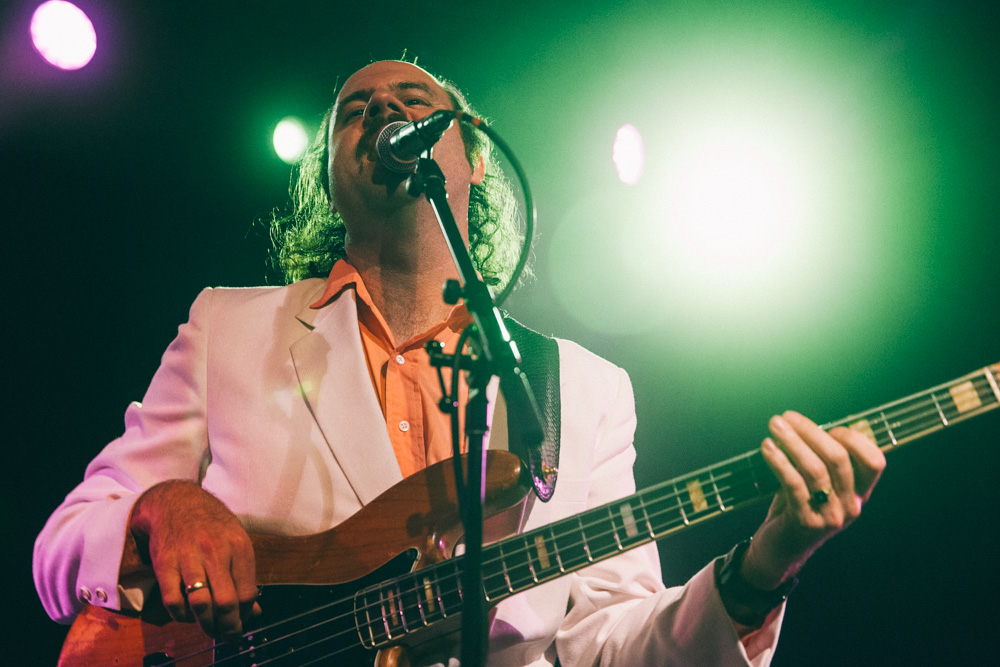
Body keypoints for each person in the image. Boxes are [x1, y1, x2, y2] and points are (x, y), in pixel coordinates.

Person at [33, 59, 885, 666]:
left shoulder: (575, 386)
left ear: (470, 156)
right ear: (330, 176)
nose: (382, 111)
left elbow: (610, 642)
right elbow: (63, 545)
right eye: (354, 110)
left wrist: (761, 569)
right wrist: (163, 505)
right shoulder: (228, 325)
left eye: (411, 100)